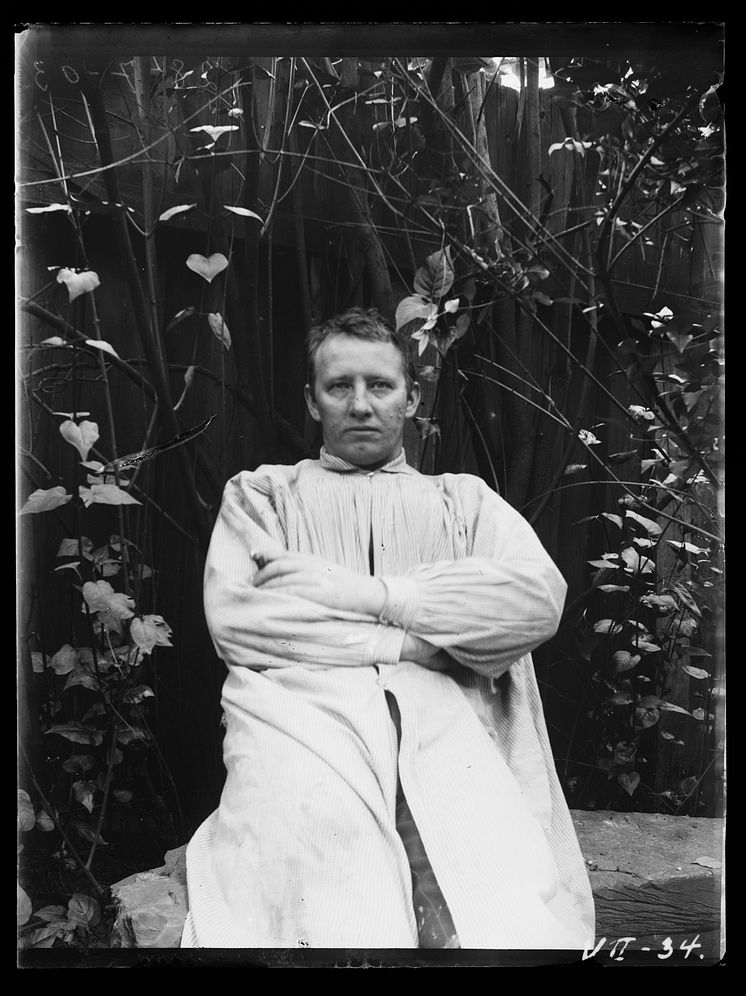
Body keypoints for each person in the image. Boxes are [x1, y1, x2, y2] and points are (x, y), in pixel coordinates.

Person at [181, 307, 595, 950]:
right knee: (322, 846)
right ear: (312, 402)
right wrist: (409, 642)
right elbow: (243, 619)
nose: (361, 405)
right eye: (338, 387)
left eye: (380, 386)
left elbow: (535, 600)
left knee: (477, 885)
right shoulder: (264, 496)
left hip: (450, 713)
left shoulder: (462, 501)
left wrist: (374, 594)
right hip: (297, 713)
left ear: (411, 398)